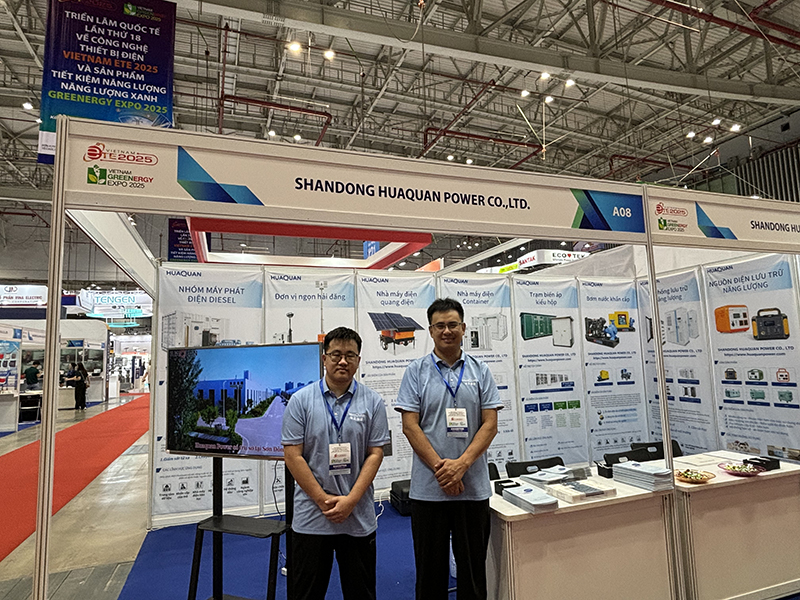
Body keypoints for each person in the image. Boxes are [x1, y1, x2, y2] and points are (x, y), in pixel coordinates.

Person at [395, 298, 503, 600]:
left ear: (464, 328)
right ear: (431, 330)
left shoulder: (481, 371)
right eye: (440, 325)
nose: (447, 331)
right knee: (430, 575)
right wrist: (443, 471)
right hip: (429, 491)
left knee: (473, 573)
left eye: (453, 324)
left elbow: (490, 424)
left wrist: (462, 465)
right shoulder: (416, 371)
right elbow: (410, 426)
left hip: (473, 488)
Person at [281, 326, 390, 600]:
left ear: (358, 360)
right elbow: (293, 455)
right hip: (311, 517)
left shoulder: (373, 402)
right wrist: (322, 500)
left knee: (361, 593)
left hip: (357, 516)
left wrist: (351, 501)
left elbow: (375, 453)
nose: (343, 361)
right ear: (324, 358)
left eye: (350, 355)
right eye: (336, 354)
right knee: (306, 594)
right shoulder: (300, 401)